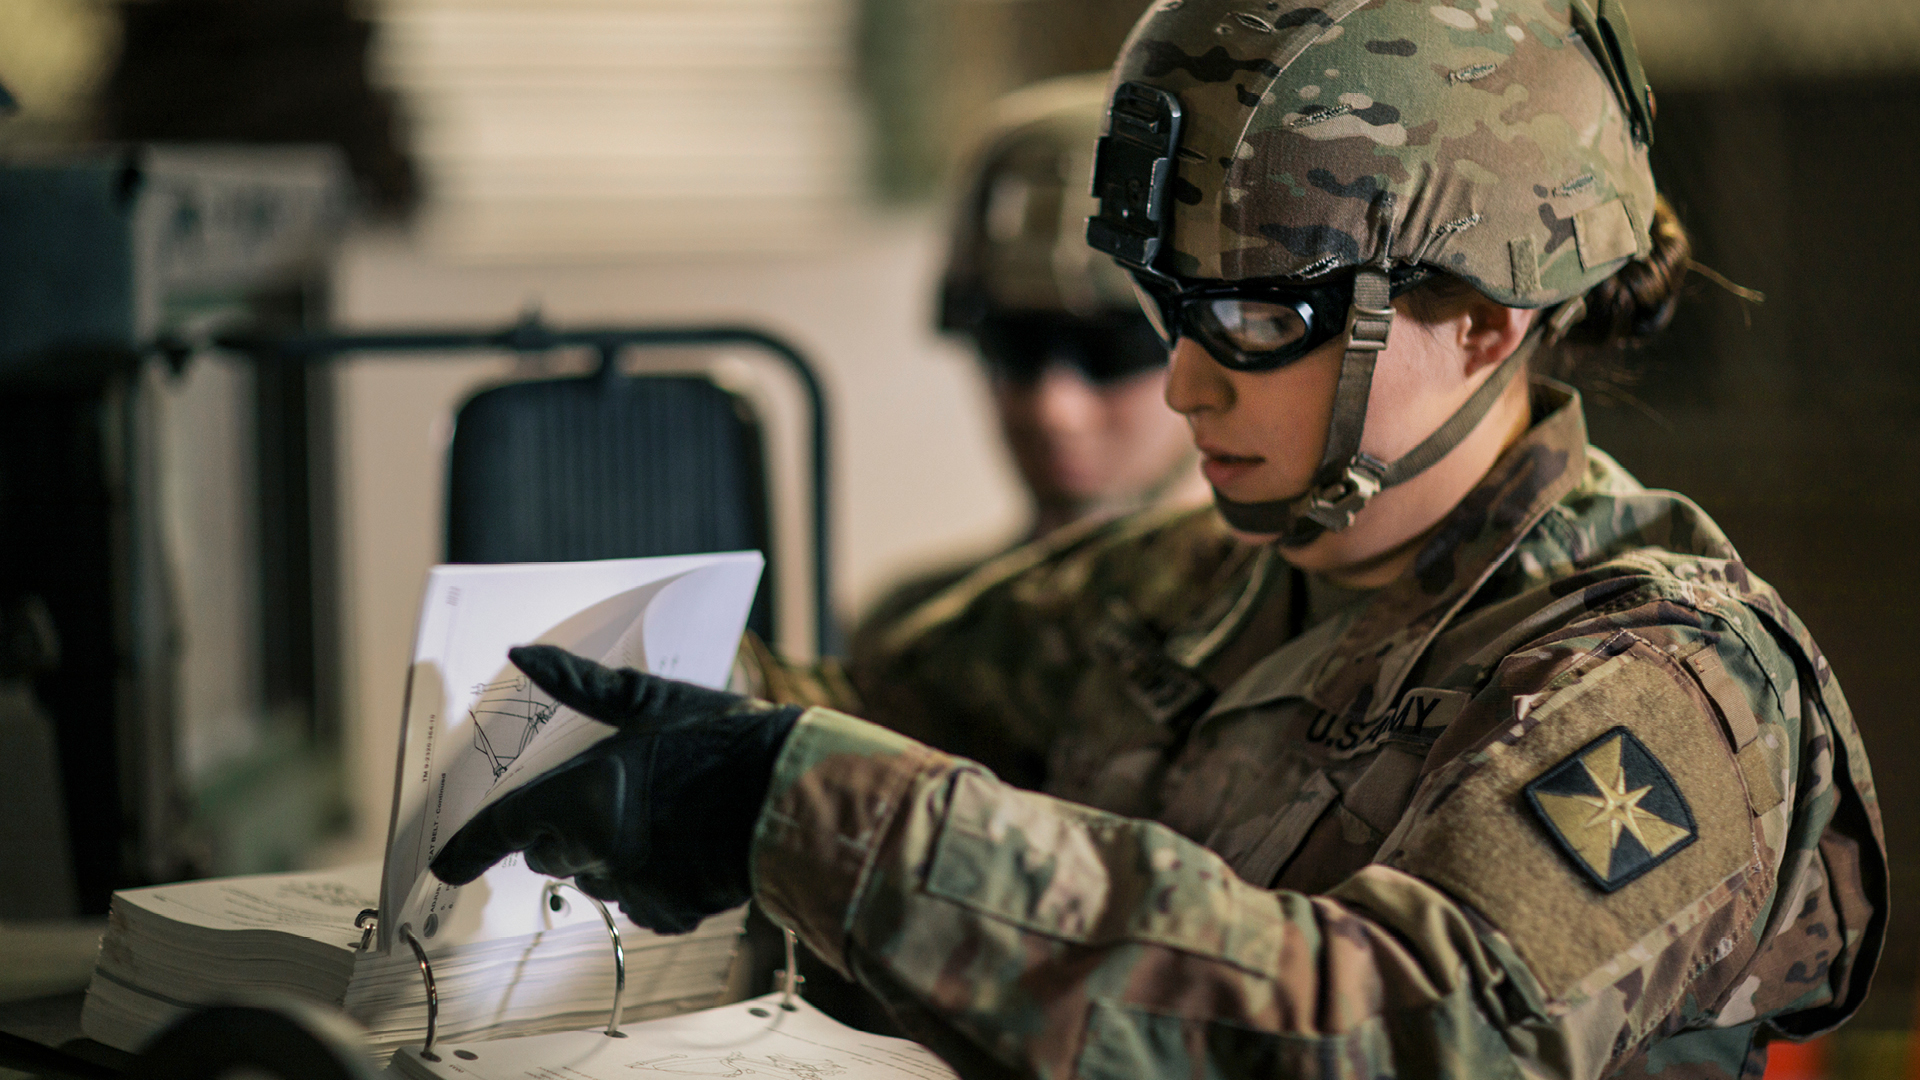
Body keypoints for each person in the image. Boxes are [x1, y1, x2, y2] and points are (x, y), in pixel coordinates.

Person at [430, 1, 1888, 1076]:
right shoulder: (1190, 584)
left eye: (1260, 318)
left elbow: (1404, 1027)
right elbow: (856, 709)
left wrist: (794, 811)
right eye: (1166, 311)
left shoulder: (1670, 682)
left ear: (1482, 318)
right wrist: (648, 697)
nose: (1187, 384)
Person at [851, 73, 1209, 667]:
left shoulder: (1292, 629)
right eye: (1013, 347)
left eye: (1110, 354)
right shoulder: (921, 635)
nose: (1054, 410)